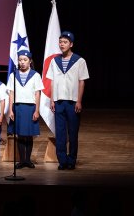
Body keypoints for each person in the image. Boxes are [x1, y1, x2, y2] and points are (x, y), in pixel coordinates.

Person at [48, 31, 89, 170]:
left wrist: (79, 100)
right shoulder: (55, 61)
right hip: (59, 101)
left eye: (65, 42)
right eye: (60, 42)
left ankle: (71, 160)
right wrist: (52, 99)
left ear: (71, 44)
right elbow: (52, 82)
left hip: (72, 102)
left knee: (72, 132)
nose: (62, 44)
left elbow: (81, 82)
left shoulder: (79, 60)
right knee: (60, 133)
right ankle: (62, 161)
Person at [7, 51, 43, 168]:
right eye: (20, 60)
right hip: (18, 107)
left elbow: (37, 94)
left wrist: (37, 110)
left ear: (30, 61)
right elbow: (11, 93)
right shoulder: (13, 75)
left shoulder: (35, 75)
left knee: (29, 134)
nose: (22, 62)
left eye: (25, 60)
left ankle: (28, 160)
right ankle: (22, 160)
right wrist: (11, 110)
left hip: (30, 107)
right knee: (20, 134)